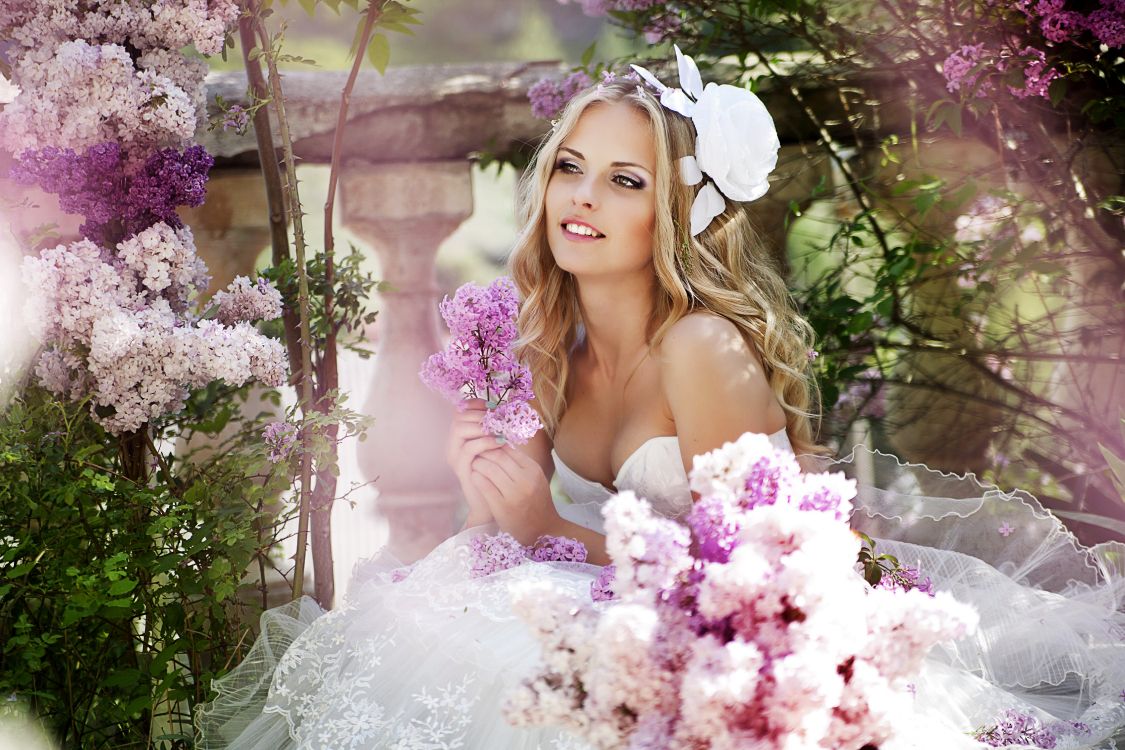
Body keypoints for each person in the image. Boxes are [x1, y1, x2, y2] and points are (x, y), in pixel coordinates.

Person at [196, 54, 1125, 749]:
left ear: (677, 212)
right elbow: (528, 529)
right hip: (605, 599)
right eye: (570, 167)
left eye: (625, 180)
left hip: (733, 644)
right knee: (413, 617)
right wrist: (497, 497)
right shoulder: (543, 341)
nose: (581, 198)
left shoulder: (701, 349)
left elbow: (771, 596)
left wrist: (540, 525)